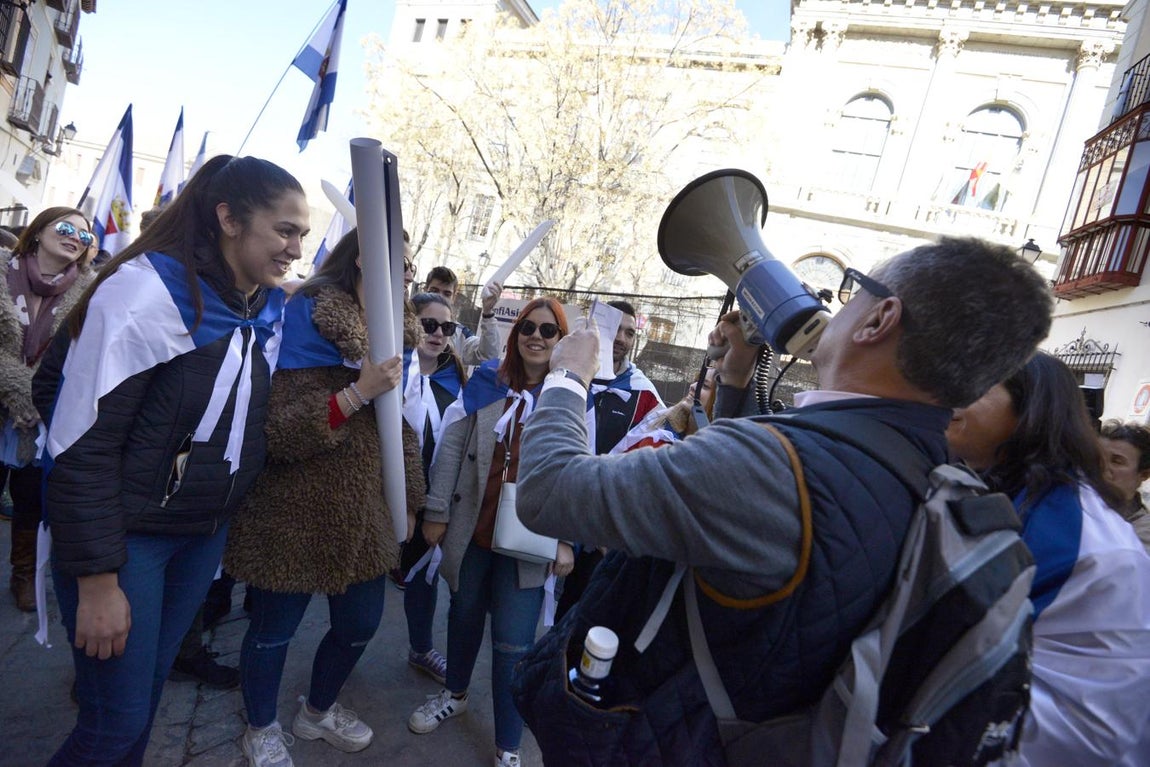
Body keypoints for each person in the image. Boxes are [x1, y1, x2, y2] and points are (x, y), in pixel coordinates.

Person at [510, 237, 1053, 763]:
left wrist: (567, 375)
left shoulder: (768, 465)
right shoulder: (937, 476)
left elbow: (548, 490)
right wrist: (739, 378)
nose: (834, 307)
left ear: (879, 319)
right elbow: (777, 525)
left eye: (851, 288)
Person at [31, 155, 309, 766]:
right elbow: (79, 435)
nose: (294, 248)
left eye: (302, 235)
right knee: (112, 724)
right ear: (229, 218)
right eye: (284, 230)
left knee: (142, 706)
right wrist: (98, 578)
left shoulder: (256, 308)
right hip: (128, 543)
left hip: (199, 538)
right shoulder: (145, 292)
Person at [223, 228, 426, 766]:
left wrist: (408, 495)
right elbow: (279, 434)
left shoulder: (399, 337)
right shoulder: (304, 318)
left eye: (411, 265)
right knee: (272, 632)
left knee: (359, 624)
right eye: (399, 263)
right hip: (293, 509)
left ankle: (316, 711)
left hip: (363, 512)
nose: (408, 274)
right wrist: (357, 391)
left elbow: (400, 428)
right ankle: (261, 726)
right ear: (363, 258)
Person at [946, 352, 1150, 766]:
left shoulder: (1077, 531)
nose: (955, 394)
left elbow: (1094, 722)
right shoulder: (998, 489)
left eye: (981, 384)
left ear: (1030, 411)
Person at [407, 297, 577, 767]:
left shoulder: (569, 398)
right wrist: (436, 510)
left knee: (513, 643)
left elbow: (576, 471)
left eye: (548, 331)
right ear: (516, 332)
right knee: (462, 618)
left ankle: (508, 745)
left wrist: (567, 537)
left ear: (561, 341)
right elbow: (450, 446)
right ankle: (455, 693)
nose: (536, 338)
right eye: (528, 328)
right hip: (473, 529)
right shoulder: (485, 382)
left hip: (529, 540)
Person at [0, 207, 94, 611]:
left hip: (38, 417)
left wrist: (41, 395)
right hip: (14, 402)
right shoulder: (3, 273)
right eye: (67, 227)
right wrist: (23, 388)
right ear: (38, 231)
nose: (76, 237)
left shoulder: (90, 293)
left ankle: (22, 574)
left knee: (29, 501)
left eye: (86, 236)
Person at [554, 299, 664, 620]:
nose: (622, 339)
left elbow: (644, 463)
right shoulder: (564, 370)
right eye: (616, 329)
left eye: (630, 333)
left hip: (597, 528)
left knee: (574, 618)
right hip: (551, 509)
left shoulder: (645, 397)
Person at [399, 291, 468, 686]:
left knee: (422, 579)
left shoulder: (455, 380)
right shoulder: (391, 370)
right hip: (384, 497)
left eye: (447, 327)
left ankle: (421, 647)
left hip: (430, 501)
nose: (438, 333)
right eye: (429, 324)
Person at [422, 264, 503, 365]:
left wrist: (487, 313)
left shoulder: (460, 333)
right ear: (425, 291)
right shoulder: (406, 322)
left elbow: (488, 356)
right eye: (434, 291)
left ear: (454, 297)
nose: (440, 297)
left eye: (447, 294)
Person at [1099, 419, 1150, 553]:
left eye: (1117, 461)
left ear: (1143, 474)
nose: (1103, 468)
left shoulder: (1143, 533)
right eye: (1098, 459)